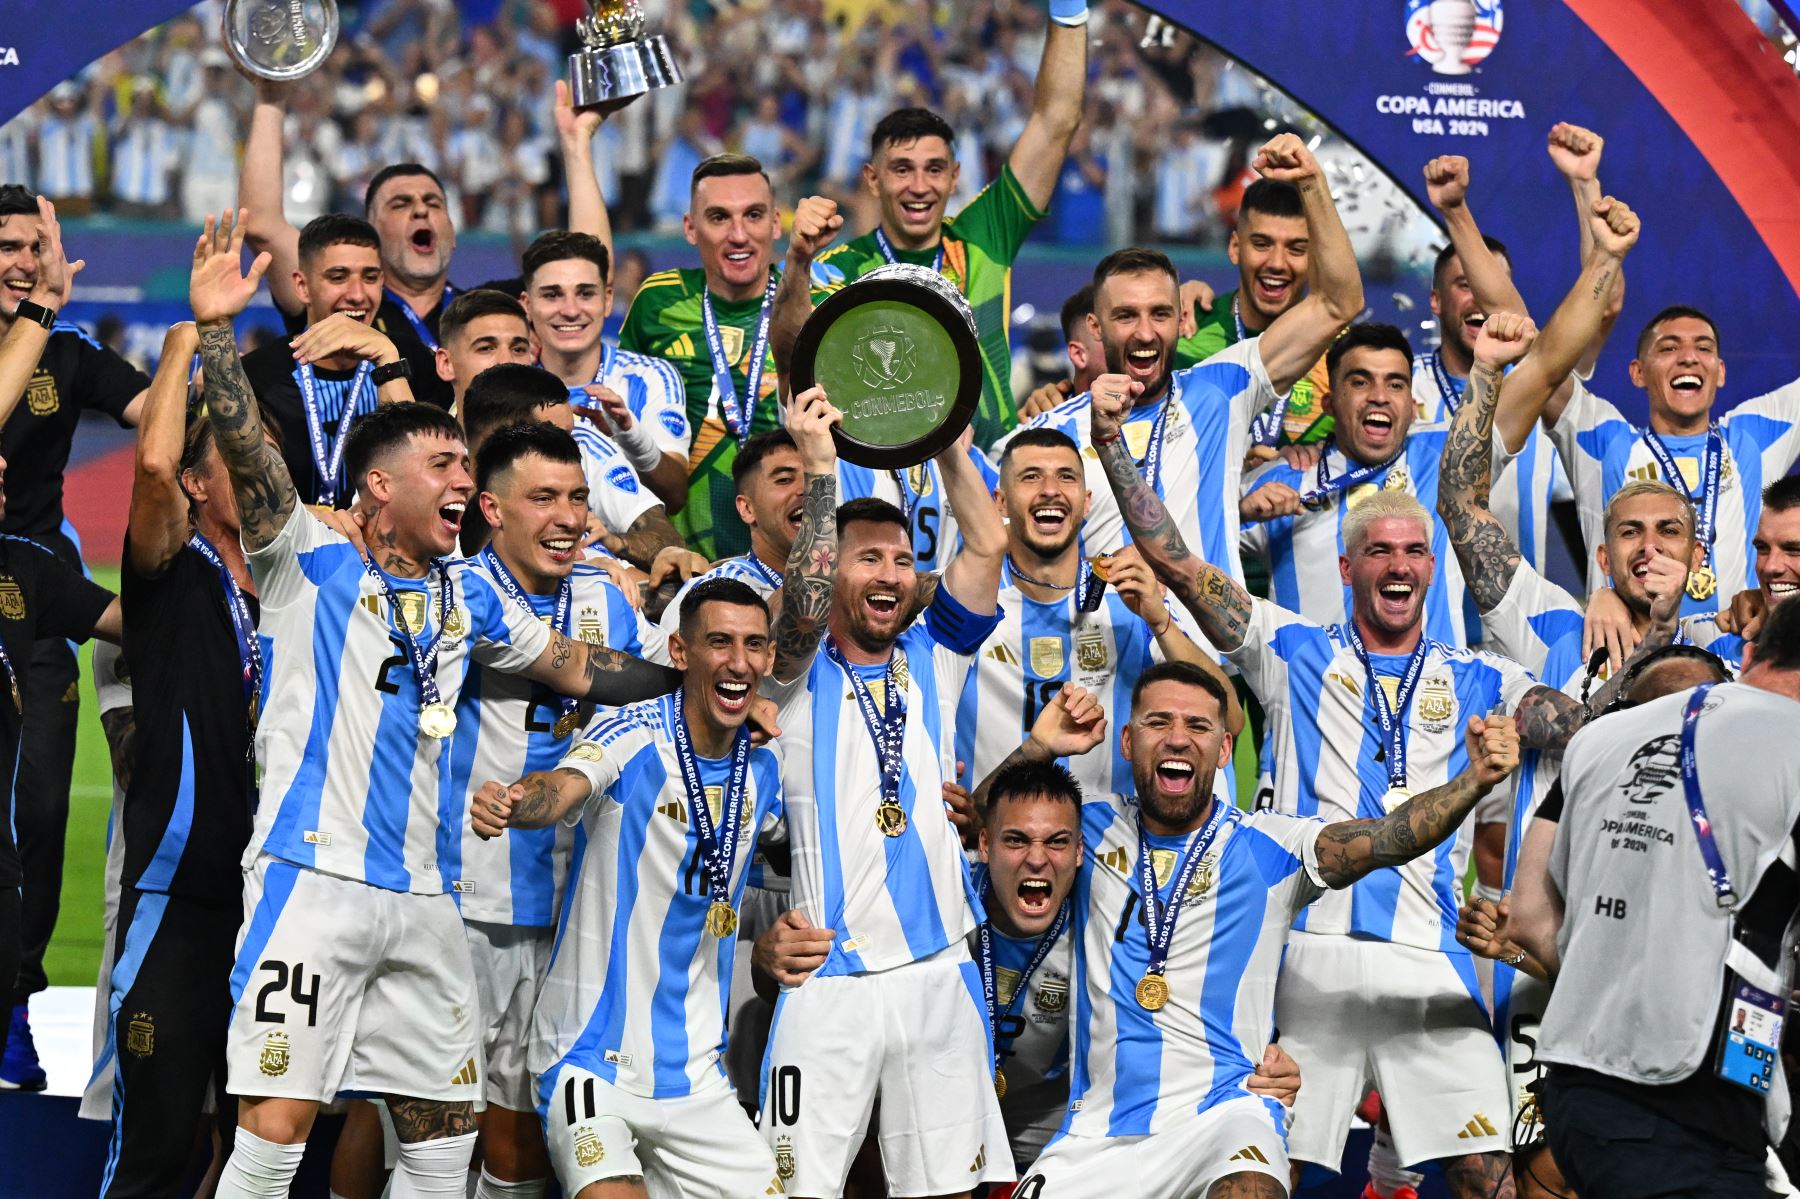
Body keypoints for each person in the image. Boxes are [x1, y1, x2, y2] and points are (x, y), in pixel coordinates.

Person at [187, 209, 684, 1197]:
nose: (470, 481)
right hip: (311, 877)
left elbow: (580, 665)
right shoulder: (309, 555)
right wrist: (213, 336)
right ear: (378, 487)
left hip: (426, 897)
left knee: (443, 1130)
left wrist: (693, 676)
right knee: (278, 1123)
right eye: (448, 468)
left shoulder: (468, 597)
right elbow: (248, 456)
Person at [1085, 380, 1666, 1197]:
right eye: (1381, 551)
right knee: (1263, 1170)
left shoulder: (1485, 679)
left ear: (1433, 568)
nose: (1399, 565)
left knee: (1490, 1176)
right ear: (1350, 565)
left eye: (1414, 551)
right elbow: (1178, 561)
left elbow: (1581, 723)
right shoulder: (1285, 648)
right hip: (1301, 961)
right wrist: (1111, 442)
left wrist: (1659, 633)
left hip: (1428, 961)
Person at [990, 662, 1517, 1198]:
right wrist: (1038, 748)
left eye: (1198, 726)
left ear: (1223, 752)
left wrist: (1471, 782)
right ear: (1128, 741)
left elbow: (1385, 839)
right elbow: (984, 825)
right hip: (1095, 1132)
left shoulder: (1272, 846)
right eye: (1158, 722)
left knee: (1251, 1188)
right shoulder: (1087, 826)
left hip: (1225, 1114)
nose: (1178, 738)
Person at [753, 382, 1012, 1198]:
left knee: (944, 1190)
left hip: (941, 969)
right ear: (833, 568)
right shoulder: (789, 675)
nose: (892, 574)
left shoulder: (934, 653)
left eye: (902, 560)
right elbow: (798, 604)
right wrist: (823, 473)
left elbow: (984, 543)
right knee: (796, 1190)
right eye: (870, 557)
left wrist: (945, 443)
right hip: (829, 974)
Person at [471, 577, 786, 1199]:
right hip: (590, 1063)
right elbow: (564, 786)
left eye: (753, 645)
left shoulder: (764, 771)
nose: (737, 661)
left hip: (698, 1079)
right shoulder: (635, 733)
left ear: (770, 660)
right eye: (718, 642)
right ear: (679, 652)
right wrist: (515, 803)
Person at [1509, 599, 1800, 1199]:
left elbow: (1530, 918)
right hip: (1690, 1100)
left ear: (1749, 654)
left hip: (1573, 1090)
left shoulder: (1601, 738)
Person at [442, 420, 644, 1199]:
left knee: (525, 1121)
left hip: (573, 913)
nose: (570, 517)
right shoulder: (461, 592)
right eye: (545, 498)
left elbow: (667, 677)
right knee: (432, 1120)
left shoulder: (606, 596)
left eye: (579, 499)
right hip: (469, 899)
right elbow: (639, 680)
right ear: (491, 508)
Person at [1016, 134, 1363, 576]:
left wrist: (1313, 182)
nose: (1146, 331)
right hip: (1107, 632)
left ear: (1176, 319)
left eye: (1160, 313)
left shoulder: (1219, 384)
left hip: (1234, 615)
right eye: (1127, 315)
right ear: (1096, 329)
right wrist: (1058, 400)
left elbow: (1338, 302)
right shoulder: (1054, 428)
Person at [96, 319, 266, 1193]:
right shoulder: (171, 571)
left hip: (280, 899)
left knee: (254, 1151)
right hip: (181, 902)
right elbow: (153, 467)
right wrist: (183, 345)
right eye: (239, 459)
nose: (260, 470)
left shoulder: (299, 577)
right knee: (157, 1148)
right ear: (201, 487)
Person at [772, 0, 1090, 444]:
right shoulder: (838, 270)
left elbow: (1056, 120)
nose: (919, 185)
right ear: (873, 179)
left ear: (954, 177)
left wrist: (1070, 6)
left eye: (934, 169)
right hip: (890, 485)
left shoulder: (985, 235)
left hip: (987, 477)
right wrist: (799, 261)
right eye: (902, 169)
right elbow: (790, 362)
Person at [0, 190, 146, 1088]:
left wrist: (193, 358)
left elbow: (159, 418)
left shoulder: (66, 352)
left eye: (33, 245)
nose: (21, 259)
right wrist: (43, 304)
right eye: (7, 245)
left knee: (41, 807)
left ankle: (15, 1000)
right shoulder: (39, 327)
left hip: (35, 597)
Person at [239, 77, 619, 412]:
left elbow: (588, 265)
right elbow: (262, 224)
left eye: (434, 203)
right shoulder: (345, 298)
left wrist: (575, 143)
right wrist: (270, 98)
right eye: (401, 204)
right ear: (371, 233)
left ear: (451, 232)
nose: (421, 210)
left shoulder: (493, 309)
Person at [956, 426, 1237, 804]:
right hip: (996, 840)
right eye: (1031, 476)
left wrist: (1160, 623)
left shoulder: (1127, 596)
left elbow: (1230, 719)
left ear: (1087, 502)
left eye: (1066, 476)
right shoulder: (964, 599)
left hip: (1113, 850)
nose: (1050, 489)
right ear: (1000, 502)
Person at [1239, 322, 1480, 645]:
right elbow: (1174, 541)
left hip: (1433, 691)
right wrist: (1239, 513)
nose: (1379, 397)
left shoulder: (1445, 458)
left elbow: (1544, 371)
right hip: (1313, 691)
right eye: (1360, 382)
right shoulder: (1283, 478)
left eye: (1395, 384)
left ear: (1412, 405)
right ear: (1330, 403)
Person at [618, 154, 784, 559]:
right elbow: (622, 422)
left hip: (792, 559)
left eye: (754, 215)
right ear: (690, 228)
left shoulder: (814, 304)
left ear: (777, 223)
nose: (739, 234)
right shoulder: (657, 301)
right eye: (719, 217)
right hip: (684, 565)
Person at [239, 213, 419, 508]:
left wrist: (387, 362)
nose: (358, 294)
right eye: (338, 277)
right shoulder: (259, 376)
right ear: (302, 286)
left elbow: (420, 480)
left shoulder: (412, 362)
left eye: (370, 277)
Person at [458, 363, 696, 584]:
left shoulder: (584, 445)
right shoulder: (440, 485)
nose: (570, 449)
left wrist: (616, 545)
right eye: (553, 437)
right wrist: (585, 579)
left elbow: (669, 542)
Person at [519, 230, 691, 510]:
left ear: (607, 300)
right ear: (527, 305)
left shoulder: (650, 377)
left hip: (626, 554)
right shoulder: (508, 386)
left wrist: (630, 438)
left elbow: (674, 496)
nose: (571, 310)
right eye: (552, 295)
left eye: (585, 293)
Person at [1173, 177, 1332, 446]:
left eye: (1296, 249)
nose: (1277, 263)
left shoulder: (1338, 354)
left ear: (1314, 258)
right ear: (1235, 248)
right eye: (1262, 244)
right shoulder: (1186, 329)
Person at [432, 288, 539, 413]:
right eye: (485, 348)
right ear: (446, 364)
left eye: (518, 350)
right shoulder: (426, 432)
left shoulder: (560, 429)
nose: (506, 361)